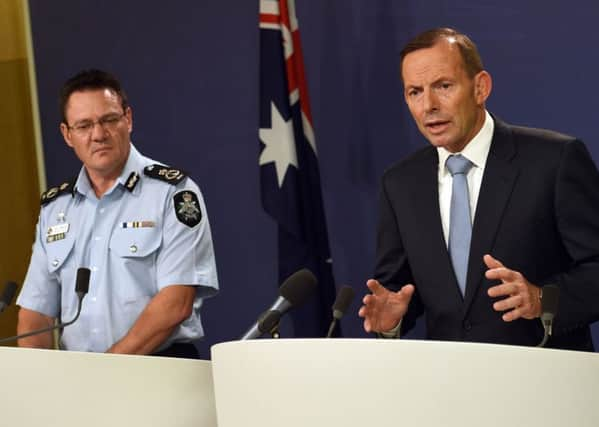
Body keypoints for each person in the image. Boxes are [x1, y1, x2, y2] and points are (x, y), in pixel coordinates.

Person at [358, 28, 599, 351]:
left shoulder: (553, 160)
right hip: (451, 386)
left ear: (480, 87)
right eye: (415, 92)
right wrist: (392, 321)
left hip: (543, 379)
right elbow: (400, 290)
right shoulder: (401, 183)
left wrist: (543, 299)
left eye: (443, 86)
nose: (428, 105)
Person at [16, 69, 219, 358]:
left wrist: (108, 370)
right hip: (80, 381)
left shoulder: (173, 193)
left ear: (128, 119)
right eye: (84, 125)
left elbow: (176, 304)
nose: (98, 134)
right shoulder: (55, 209)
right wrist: (41, 383)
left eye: (109, 120)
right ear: (67, 135)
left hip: (159, 369)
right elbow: (36, 313)